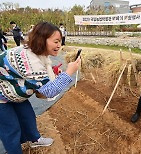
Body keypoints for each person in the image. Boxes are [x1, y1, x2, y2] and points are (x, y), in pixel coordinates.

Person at [0, 22, 81, 154]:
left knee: (27, 116)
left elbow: (40, 79)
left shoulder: (36, 53)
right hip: (2, 96)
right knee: (10, 128)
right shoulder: (30, 61)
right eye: (56, 41)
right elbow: (47, 92)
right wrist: (69, 73)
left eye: (60, 41)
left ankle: (34, 139)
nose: (59, 45)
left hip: (14, 91)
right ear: (42, 40)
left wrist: (53, 74)